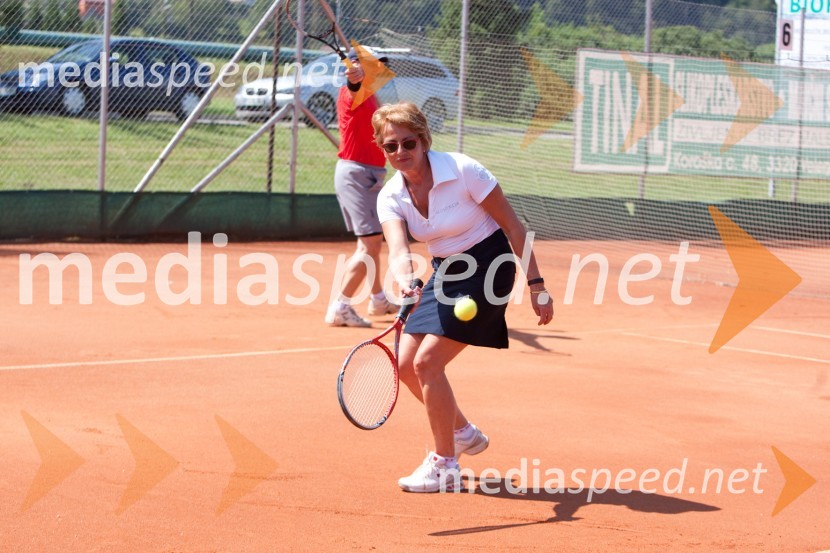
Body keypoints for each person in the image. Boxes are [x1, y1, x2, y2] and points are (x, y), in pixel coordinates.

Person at [373, 102, 554, 493]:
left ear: (424, 141)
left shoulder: (463, 170)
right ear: (382, 149)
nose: (401, 151)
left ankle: (445, 464)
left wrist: (537, 285)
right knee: (406, 365)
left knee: (427, 362)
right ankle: (463, 433)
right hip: (446, 272)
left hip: (490, 266)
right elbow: (398, 248)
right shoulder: (390, 196)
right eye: (391, 146)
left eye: (408, 142)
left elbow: (513, 226)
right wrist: (406, 280)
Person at [325, 47, 398, 327]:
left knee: (370, 243)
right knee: (370, 245)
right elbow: (352, 86)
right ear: (358, 67)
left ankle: (378, 299)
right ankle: (340, 307)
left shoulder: (371, 95)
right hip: (357, 175)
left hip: (369, 175)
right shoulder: (353, 92)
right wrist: (353, 77)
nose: (380, 70)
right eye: (375, 65)